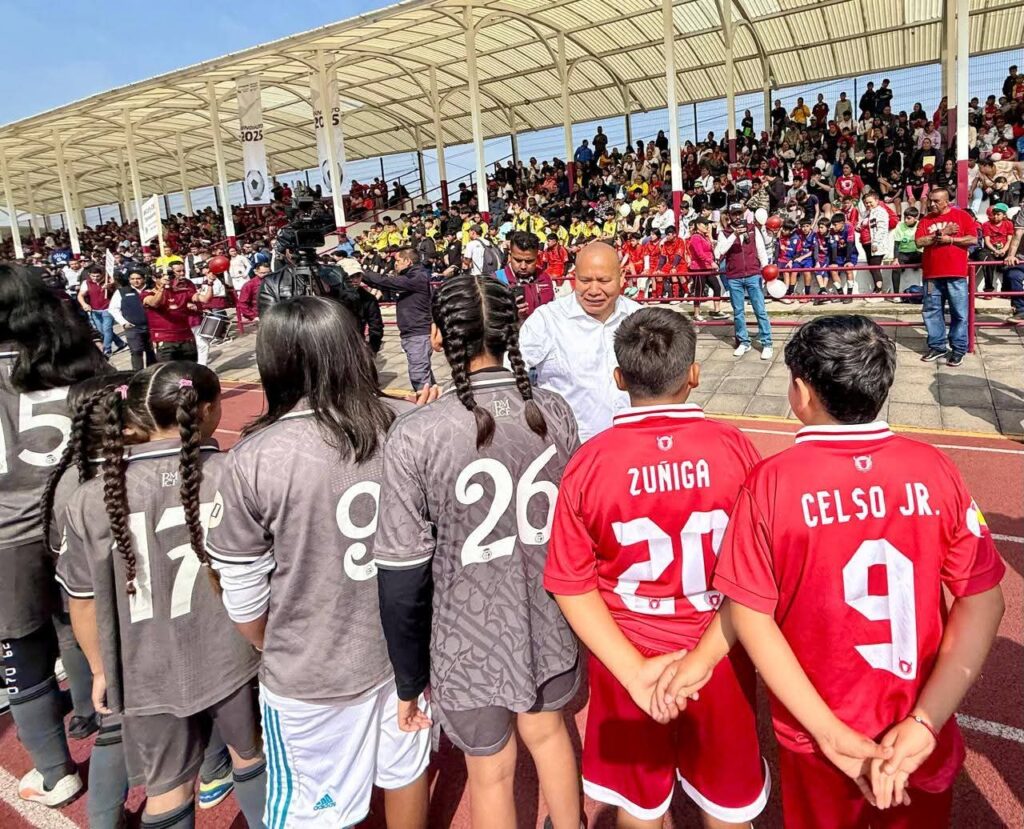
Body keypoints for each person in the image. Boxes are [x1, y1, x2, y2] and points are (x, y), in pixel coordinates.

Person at [660, 315, 1005, 829]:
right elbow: (985, 600)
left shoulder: (772, 482)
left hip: (819, 728)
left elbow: (751, 613)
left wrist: (828, 731)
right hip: (915, 726)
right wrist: (925, 722)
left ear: (801, 392)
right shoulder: (935, 469)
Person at [208, 298, 430, 829]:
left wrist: (271, 641)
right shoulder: (409, 423)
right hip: (408, 649)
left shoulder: (255, 457)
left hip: (313, 668)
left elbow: (243, 595)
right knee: (406, 769)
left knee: (314, 812)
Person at [545, 308, 769, 829]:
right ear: (694, 373)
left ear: (618, 378)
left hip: (627, 653)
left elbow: (572, 584)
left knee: (639, 806)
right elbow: (759, 572)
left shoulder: (591, 462)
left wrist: (633, 670)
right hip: (719, 650)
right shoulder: (735, 448)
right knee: (728, 806)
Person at [375, 274, 582, 829]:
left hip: (467, 633)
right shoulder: (554, 409)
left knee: (490, 769)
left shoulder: (417, 433)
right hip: (550, 614)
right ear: (512, 331)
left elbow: (402, 573)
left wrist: (408, 677)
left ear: (438, 337)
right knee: (550, 732)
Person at [56, 361, 268, 829]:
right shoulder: (234, 473)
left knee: (166, 789)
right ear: (208, 410)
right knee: (252, 757)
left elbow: (82, 600)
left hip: (144, 666)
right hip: (232, 654)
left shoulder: (91, 497)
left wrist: (99, 669)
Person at [0, 265, 109, 808]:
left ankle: (53, 768)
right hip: (78, 513)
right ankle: (96, 717)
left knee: (21, 649)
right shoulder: (72, 358)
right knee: (80, 619)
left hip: (7, 531)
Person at [519, 241, 641, 442]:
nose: (593, 290)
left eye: (603, 281)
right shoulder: (547, 320)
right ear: (574, 276)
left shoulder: (640, 318)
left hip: (632, 442)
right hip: (570, 446)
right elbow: (509, 370)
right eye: (585, 280)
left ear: (622, 278)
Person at [915, 187, 978, 366]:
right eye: (930, 200)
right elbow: (919, 241)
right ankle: (937, 346)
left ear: (947, 201)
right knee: (931, 311)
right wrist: (942, 233)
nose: (932, 204)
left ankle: (958, 349)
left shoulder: (962, 216)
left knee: (959, 313)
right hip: (931, 275)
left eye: (936, 201)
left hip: (956, 274)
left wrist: (951, 240)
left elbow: (973, 239)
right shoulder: (925, 220)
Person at [360, 247, 435, 390]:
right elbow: (382, 283)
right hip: (413, 333)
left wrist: (362, 272)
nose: (395, 263)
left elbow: (386, 281)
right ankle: (431, 397)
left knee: (419, 375)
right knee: (423, 373)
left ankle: (427, 401)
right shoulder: (412, 277)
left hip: (417, 333)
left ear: (408, 261)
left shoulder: (416, 278)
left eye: (398, 260)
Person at [715, 205, 773, 360]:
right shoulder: (724, 232)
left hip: (753, 274)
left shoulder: (753, 229)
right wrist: (734, 235)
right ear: (729, 216)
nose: (737, 217)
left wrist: (764, 270)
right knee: (738, 312)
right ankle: (744, 342)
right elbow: (720, 251)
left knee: (760, 310)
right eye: (734, 214)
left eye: (739, 213)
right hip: (734, 276)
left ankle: (767, 343)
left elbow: (761, 250)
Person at [498, 231, 555, 317]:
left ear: (537, 257)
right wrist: (512, 316)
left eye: (529, 261)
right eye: (518, 260)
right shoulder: (497, 280)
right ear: (510, 256)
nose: (523, 266)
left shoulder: (545, 278)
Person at [109, 270, 157, 370]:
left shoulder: (152, 290)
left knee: (151, 351)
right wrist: (123, 323)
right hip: (132, 327)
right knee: (136, 351)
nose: (136, 281)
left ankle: (151, 372)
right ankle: (138, 374)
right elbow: (113, 309)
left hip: (151, 326)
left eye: (138, 278)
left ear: (144, 279)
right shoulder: (122, 291)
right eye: (132, 279)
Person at [77, 265, 127, 357]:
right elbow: (80, 295)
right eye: (93, 276)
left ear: (102, 275)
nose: (95, 278)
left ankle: (107, 349)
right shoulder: (86, 283)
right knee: (102, 331)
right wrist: (84, 304)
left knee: (107, 329)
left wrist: (111, 286)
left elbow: (118, 289)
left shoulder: (108, 281)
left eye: (97, 276)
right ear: (89, 275)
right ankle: (120, 343)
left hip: (108, 309)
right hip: (95, 310)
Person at [891, 207, 922, 303]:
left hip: (917, 253)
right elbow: (896, 244)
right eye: (904, 218)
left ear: (915, 218)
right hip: (903, 253)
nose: (905, 220)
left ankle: (929, 292)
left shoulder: (920, 224)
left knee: (931, 265)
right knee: (895, 268)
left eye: (908, 218)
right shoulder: (900, 226)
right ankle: (896, 295)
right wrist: (895, 258)